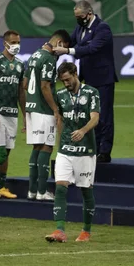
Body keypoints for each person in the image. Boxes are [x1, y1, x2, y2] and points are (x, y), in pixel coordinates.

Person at [53, 0, 116, 163]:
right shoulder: (80, 27)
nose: (78, 19)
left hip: (103, 78)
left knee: (104, 115)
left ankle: (105, 151)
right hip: (88, 77)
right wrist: (56, 45)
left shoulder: (102, 28)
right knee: (90, 114)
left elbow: (92, 48)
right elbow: (72, 41)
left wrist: (66, 50)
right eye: (76, 17)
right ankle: (93, 147)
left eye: (80, 16)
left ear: (89, 13)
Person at [45, 62, 99, 243]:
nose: (66, 84)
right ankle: (59, 230)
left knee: (86, 190)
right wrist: (61, 141)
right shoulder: (60, 95)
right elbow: (59, 118)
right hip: (66, 150)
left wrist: (83, 131)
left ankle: (86, 231)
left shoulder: (91, 93)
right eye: (63, 81)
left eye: (68, 79)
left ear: (75, 74)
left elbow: (95, 118)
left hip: (86, 150)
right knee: (60, 187)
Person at [24, 29, 71, 201]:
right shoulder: (49, 59)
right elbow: (45, 86)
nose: (62, 52)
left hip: (31, 106)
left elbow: (25, 83)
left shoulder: (35, 55)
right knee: (46, 147)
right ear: (59, 43)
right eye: (63, 48)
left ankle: (32, 191)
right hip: (43, 109)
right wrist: (55, 109)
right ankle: (42, 192)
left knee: (36, 147)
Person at [0, 30, 26, 199]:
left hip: (12, 113)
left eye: (18, 42)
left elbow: (21, 93)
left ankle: (1, 186)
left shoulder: (20, 65)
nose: (16, 46)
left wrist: (25, 116)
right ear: (5, 43)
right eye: (14, 42)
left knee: (7, 151)